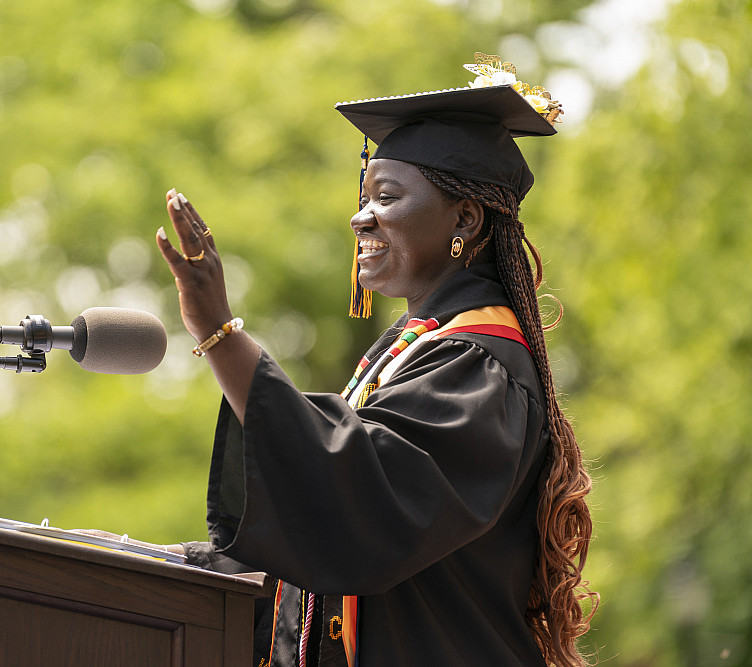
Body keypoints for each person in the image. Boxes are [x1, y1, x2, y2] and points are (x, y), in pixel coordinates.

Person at [154, 55, 597, 667]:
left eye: (386, 197)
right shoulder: (413, 349)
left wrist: (220, 333)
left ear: (465, 218)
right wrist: (159, 563)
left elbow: (359, 497)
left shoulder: (478, 365)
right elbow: (321, 545)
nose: (361, 216)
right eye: (364, 197)